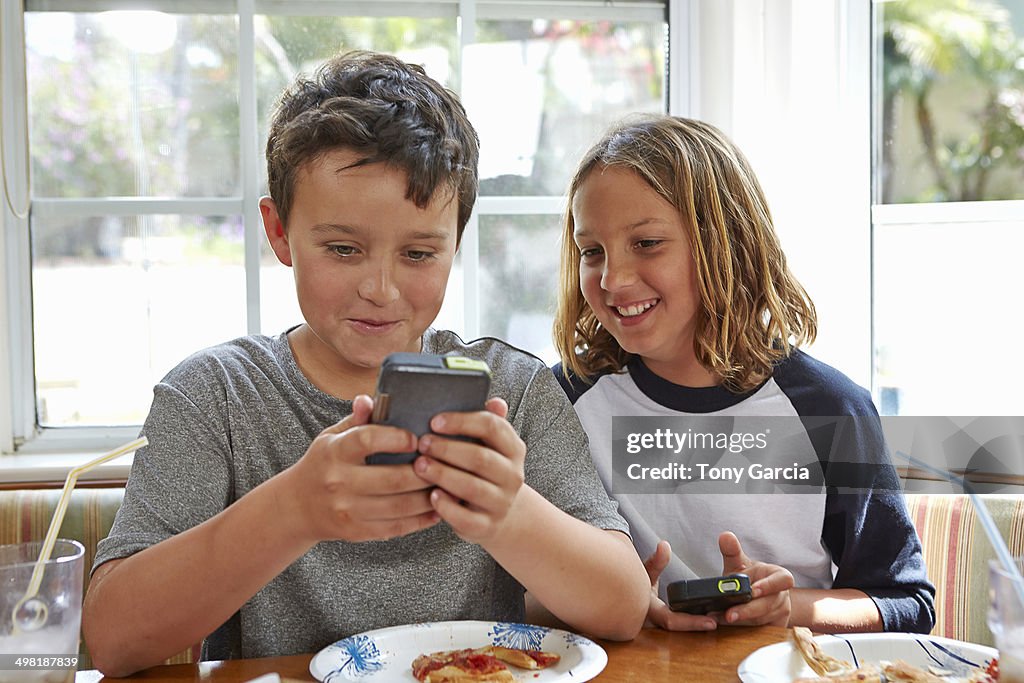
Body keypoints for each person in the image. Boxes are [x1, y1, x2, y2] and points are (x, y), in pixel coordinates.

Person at [82, 51, 649, 676]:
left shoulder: (512, 390)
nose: (380, 288)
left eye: (418, 253)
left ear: (455, 242)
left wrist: (507, 511)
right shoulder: (214, 396)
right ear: (277, 231)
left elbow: (620, 609)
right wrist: (294, 509)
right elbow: (112, 638)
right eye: (343, 249)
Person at [552, 114, 935, 634]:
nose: (614, 279)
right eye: (591, 252)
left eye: (647, 243)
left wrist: (787, 607)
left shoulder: (828, 408)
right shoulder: (562, 404)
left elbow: (906, 603)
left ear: (726, 243)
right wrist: (606, 599)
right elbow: (518, 586)